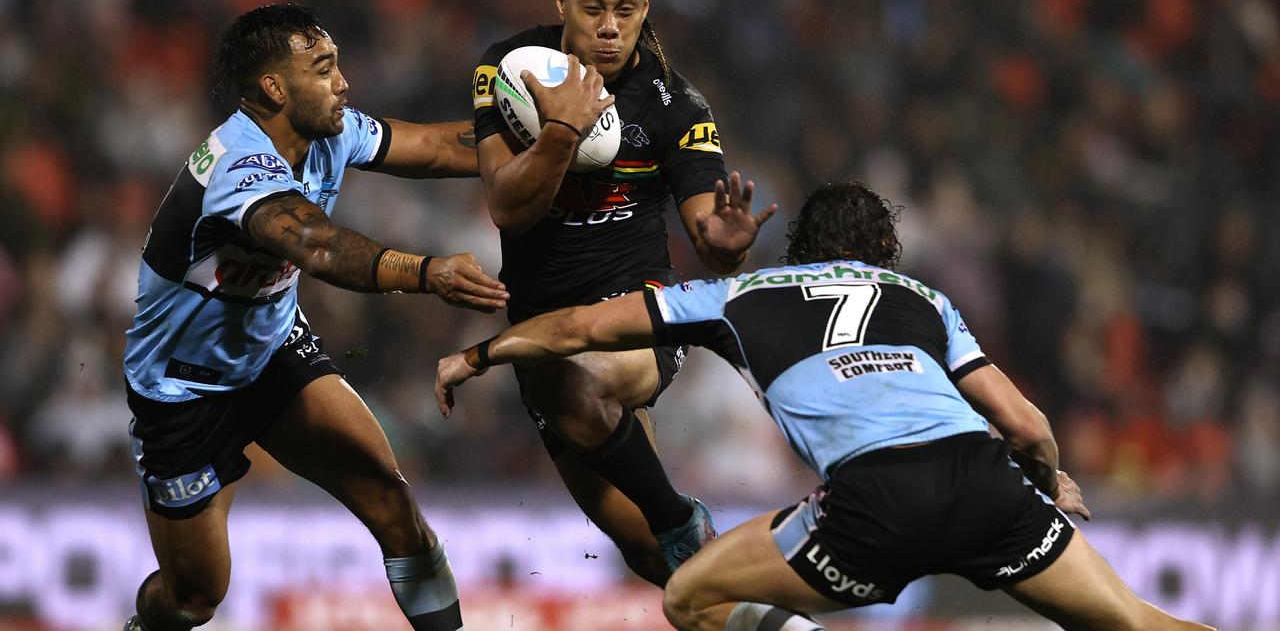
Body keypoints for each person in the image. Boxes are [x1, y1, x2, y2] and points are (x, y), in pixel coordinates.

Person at [434, 181, 1217, 631]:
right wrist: (1047, 483)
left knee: (692, 597)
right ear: (885, 256)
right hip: (987, 486)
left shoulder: (736, 295)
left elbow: (579, 328)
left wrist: (478, 356)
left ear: (803, 249)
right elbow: (1026, 425)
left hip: (873, 499)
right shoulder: (923, 298)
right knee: (1139, 625)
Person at [121, 3, 508, 631]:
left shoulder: (332, 133)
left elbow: (436, 148)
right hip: (182, 391)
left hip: (273, 352)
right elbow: (318, 246)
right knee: (195, 596)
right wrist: (427, 271)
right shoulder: (236, 167)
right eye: (324, 69)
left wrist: (547, 139)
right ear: (274, 87)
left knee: (393, 502)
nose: (343, 83)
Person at [470, 0, 776, 584]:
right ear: (561, 2)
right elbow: (508, 205)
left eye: (627, 9)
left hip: (639, 315)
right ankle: (735, 591)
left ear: (646, 10)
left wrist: (724, 245)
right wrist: (564, 129)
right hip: (538, 328)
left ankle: (677, 519)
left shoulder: (676, 104)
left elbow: (707, 232)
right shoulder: (508, 68)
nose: (610, 28)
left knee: (576, 382)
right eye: (592, 7)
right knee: (648, 556)